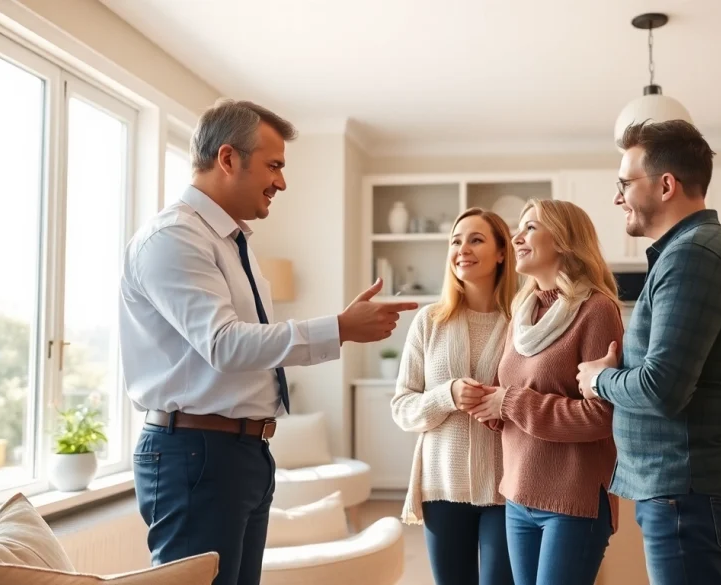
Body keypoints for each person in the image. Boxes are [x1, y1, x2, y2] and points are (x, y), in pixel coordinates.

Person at [118, 98, 418, 585]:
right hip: (195, 452)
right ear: (228, 158)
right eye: (274, 165)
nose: (281, 181)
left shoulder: (233, 243)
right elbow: (225, 345)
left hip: (241, 452)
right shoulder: (173, 238)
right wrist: (338, 327)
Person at [575, 119, 721, 585]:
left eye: (624, 183)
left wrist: (599, 379)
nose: (617, 198)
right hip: (685, 490)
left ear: (665, 185)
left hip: (689, 489)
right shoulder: (689, 251)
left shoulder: (693, 256)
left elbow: (662, 388)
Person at [469, 198, 624, 585]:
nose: (517, 237)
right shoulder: (522, 314)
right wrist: (493, 407)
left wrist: (511, 402)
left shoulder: (597, 310)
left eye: (531, 228)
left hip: (574, 500)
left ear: (565, 240)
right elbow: (514, 398)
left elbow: (601, 417)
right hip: (518, 495)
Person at [390, 207, 519, 585]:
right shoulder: (429, 321)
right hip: (441, 489)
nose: (462, 248)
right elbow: (402, 408)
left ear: (501, 253)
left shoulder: (522, 322)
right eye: (456, 241)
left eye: (476, 239)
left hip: (506, 488)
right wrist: (447, 395)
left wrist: (504, 401)